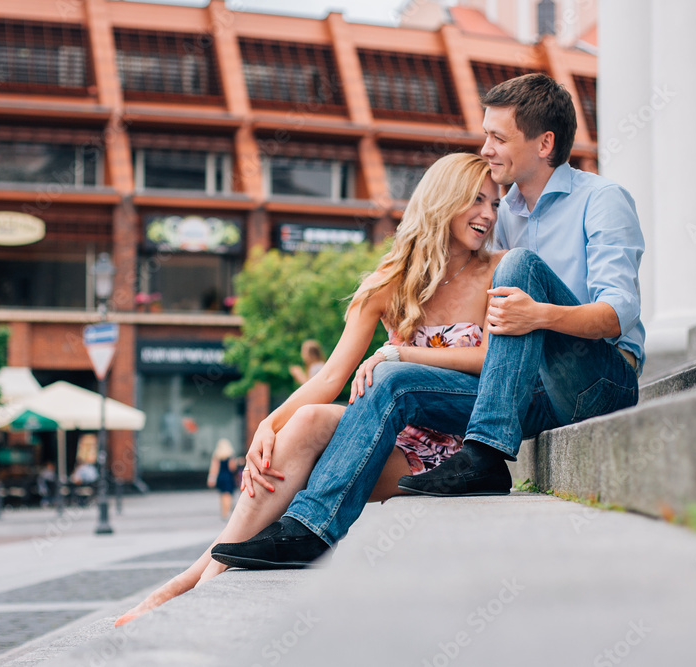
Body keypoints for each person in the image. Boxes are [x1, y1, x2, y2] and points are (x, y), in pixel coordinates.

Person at [211, 72, 645, 568]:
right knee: (394, 380)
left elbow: (617, 315)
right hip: (524, 391)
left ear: (544, 143)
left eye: (498, 137)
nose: (486, 149)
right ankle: (310, 529)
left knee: (517, 267)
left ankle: (483, 455)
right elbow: (447, 246)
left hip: (598, 378)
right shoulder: (503, 215)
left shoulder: (601, 199)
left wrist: (538, 314)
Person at [115, 152, 504, 626]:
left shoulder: (498, 271)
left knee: (364, 398)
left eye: (496, 203)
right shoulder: (391, 283)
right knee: (306, 421)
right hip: (395, 436)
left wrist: (402, 354)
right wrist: (267, 424)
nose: (488, 213)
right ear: (444, 200)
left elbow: (492, 362)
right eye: (477, 199)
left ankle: (193, 581)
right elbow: (328, 379)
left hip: (461, 444)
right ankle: (213, 567)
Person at [207, 438, 239, 520]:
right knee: (228, 495)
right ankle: (227, 512)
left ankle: (224, 512)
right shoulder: (230, 456)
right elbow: (232, 467)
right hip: (228, 477)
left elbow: (214, 468)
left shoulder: (217, 456)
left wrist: (211, 479)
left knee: (222, 495)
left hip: (220, 477)